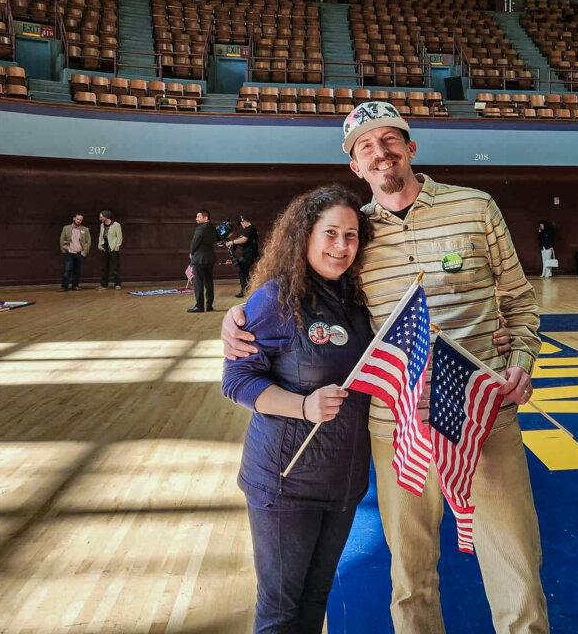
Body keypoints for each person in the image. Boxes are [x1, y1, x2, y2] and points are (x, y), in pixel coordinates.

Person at [223, 102, 548, 634]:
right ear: (355, 166)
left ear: (411, 147)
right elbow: (296, 296)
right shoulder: (355, 233)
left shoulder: (476, 207)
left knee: (516, 570)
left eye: (390, 140)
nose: (381, 153)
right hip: (395, 428)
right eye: (365, 147)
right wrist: (236, 320)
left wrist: (520, 361)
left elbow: (519, 301)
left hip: (483, 416)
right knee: (410, 577)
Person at [222, 185, 375, 634]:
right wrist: (303, 406)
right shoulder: (275, 298)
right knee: (280, 613)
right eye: (330, 233)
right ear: (305, 235)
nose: (341, 246)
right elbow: (237, 380)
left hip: (343, 480)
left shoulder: (358, 302)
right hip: (285, 482)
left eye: (351, 236)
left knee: (315, 599)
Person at [189, 208, 217, 312]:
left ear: (205, 218)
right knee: (209, 282)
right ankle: (209, 306)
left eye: (198, 216)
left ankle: (199, 306)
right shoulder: (213, 227)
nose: (196, 218)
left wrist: (191, 252)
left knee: (198, 283)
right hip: (210, 258)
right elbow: (217, 239)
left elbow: (195, 242)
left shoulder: (201, 228)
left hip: (199, 259)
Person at [228, 213, 260, 297]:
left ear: (244, 221)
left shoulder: (249, 228)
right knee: (248, 272)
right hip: (252, 254)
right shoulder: (252, 229)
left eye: (241, 223)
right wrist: (235, 241)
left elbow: (244, 239)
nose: (241, 225)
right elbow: (242, 238)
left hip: (249, 255)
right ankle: (249, 290)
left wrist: (232, 242)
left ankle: (244, 291)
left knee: (242, 271)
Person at [59, 213, 91, 291]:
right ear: (74, 218)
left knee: (77, 271)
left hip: (79, 253)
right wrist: (65, 249)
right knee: (67, 270)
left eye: (80, 220)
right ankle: (64, 286)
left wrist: (85, 251)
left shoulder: (85, 229)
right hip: (69, 252)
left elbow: (88, 241)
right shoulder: (66, 228)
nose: (79, 221)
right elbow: (62, 239)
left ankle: (75, 285)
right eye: (77, 219)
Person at [97, 210, 124, 290]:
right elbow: (100, 236)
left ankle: (117, 284)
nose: (100, 218)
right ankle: (104, 285)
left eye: (101, 217)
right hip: (104, 248)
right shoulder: (102, 225)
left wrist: (116, 247)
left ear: (106, 217)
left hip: (113, 248)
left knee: (115, 267)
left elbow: (119, 237)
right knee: (104, 267)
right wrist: (100, 245)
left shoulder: (116, 225)